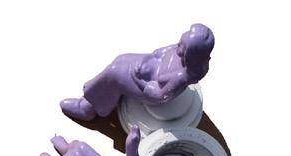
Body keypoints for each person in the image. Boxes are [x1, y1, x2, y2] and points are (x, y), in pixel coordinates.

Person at [61, 24, 214, 121]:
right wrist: (145, 62)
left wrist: (139, 79)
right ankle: (95, 94)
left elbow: (159, 95)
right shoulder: (181, 51)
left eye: (181, 46)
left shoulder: (180, 76)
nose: (177, 46)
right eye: (180, 42)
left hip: (148, 85)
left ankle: (88, 108)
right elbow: (158, 54)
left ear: (190, 54)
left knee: (114, 74)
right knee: (120, 60)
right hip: (147, 69)